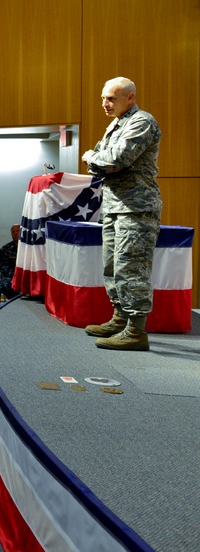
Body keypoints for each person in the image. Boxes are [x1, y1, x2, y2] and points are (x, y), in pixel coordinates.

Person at [82, 76, 162, 351]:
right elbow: (105, 163)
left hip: (137, 208)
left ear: (130, 98)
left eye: (112, 98)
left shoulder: (141, 122)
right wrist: (100, 160)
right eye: (103, 98)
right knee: (113, 268)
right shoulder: (116, 125)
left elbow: (116, 160)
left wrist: (92, 157)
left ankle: (136, 332)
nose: (105, 103)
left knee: (132, 269)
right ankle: (120, 319)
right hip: (115, 206)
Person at [0, 225, 22, 300]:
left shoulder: (30, 248)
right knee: (5, 285)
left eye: (17, 231)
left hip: (27, 276)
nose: (15, 233)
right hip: (10, 277)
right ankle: (18, 302)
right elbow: (2, 266)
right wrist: (15, 276)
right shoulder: (5, 249)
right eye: (13, 232)